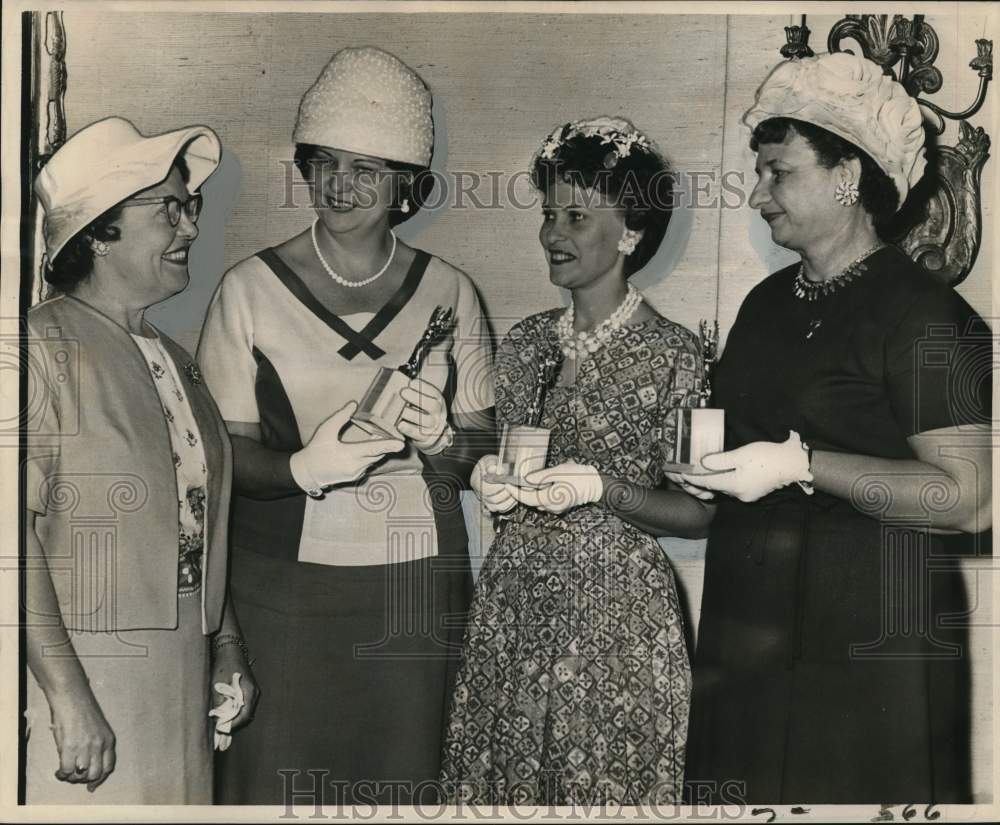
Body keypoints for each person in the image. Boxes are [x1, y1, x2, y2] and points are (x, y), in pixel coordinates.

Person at [677, 52, 992, 803]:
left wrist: (801, 463)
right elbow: (732, 450)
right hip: (748, 634)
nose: (756, 193)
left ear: (847, 175)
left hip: (868, 644)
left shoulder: (926, 315)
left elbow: (971, 498)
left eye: (777, 171)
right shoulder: (763, 306)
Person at [197, 46, 495, 805]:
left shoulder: (451, 293)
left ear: (406, 185)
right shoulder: (248, 291)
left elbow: (480, 457)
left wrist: (443, 443)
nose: (340, 184)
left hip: (414, 585)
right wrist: (300, 468)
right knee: (277, 781)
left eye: (367, 167)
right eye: (324, 161)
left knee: (402, 778)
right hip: (282, 591)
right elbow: (218, 461)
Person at [440, 117, 716, 805]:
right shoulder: (527, 342)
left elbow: (699, 513)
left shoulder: (676, 353)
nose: (551, 233)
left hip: (617, 617)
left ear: (629, 232)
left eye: (575, 215)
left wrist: (602, 487)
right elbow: (493, 459)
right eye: (548, 214)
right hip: (514, 604)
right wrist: (491, 480)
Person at [24, 117, 257, 804]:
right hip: (86, 671)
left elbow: (196, 520)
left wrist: (225, 644)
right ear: (98, 232)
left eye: (191, 209)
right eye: (170, 211)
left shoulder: (173, 359)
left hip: (182, 671)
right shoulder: (36, 349)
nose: (189, 229)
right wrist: (68, 695)